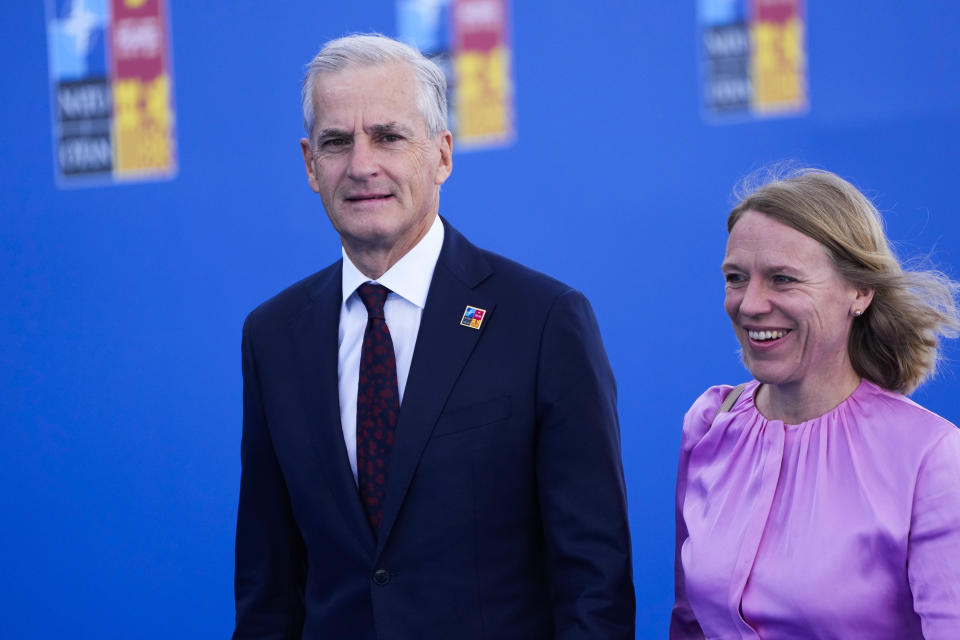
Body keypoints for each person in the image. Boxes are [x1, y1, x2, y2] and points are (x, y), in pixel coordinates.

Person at [233, 34, 635, 639]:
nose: (362, 165)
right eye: (336, 142)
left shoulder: (544, 320)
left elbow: (592, 581)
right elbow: (269, 585)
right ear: (310, 165)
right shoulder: (274, 336)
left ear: (442, 154)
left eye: (389, 136)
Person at [671, 168, 960, 639]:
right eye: (736, 277)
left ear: (860, 292)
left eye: (783, 279)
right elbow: (689, 623)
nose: (750, 304)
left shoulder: (930, 457)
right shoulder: (709, 424)